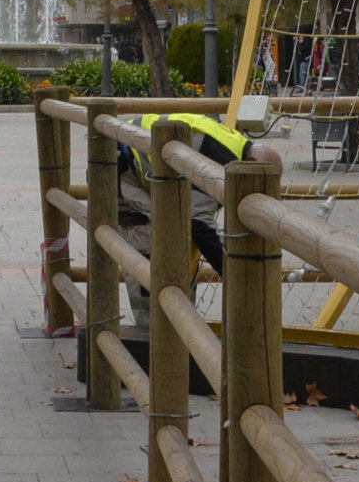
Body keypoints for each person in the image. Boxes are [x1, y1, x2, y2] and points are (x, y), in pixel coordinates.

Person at [115, 111, 282, 331]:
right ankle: (154, 336)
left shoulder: (235, 145)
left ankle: (176, 328)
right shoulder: (222, 165)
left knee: (176, 247)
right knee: (150, 254)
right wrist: (234, 273)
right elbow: (199, 224)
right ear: (251, 163)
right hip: (121, 165)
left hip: (140, 155)